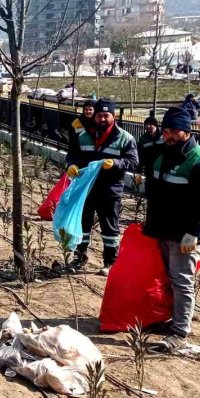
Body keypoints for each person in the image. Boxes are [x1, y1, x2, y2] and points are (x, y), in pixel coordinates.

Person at [144, 107, 200, 353]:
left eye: (174, 131)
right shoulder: (160, 155)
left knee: (182, 281)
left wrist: (194, 234)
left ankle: (180, 332)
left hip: (184, 235)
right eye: (165, 131)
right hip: (162, 230)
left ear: (187, 131)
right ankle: (171, 320)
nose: (169, 136)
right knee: (167, 279)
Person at [65, 99, 139, 275]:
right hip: (86, 189)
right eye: (99, 115)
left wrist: (114, 163)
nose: (102, 119)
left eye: (106, 115)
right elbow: (72, 154)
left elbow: (133, 162)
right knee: (82, 225)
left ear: (113, 116)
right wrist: (71, 165)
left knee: (110, 227)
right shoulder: (82, 135)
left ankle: (110, 262)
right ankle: (79, 257)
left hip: (110, 190)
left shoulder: (124, 138)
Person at [134, 117, 164, 186]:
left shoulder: (163, 137)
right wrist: (138, 178)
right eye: (146, 125)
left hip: (162, 170)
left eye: (150, 124)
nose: (148, 126)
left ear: (155, 125)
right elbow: (140, 158)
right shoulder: (143, 139)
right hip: (149, 171)